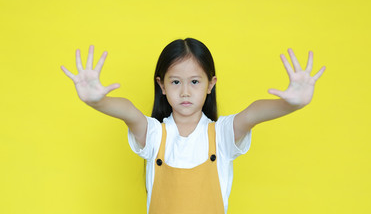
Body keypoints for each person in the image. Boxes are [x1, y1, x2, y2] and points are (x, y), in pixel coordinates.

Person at [61, 38, 325, 214]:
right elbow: (130, 113)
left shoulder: (221, 135)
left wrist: (291, 105)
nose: (185, 91)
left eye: (195, 82)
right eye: (175, 82)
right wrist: (98, 101)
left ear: (211, 84)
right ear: (162, 86)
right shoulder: (155, 135)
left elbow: (252, 113)